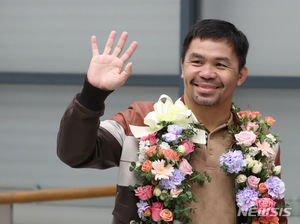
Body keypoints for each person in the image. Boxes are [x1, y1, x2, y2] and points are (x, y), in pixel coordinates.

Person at [57, 19, 287, 224]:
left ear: (240, 75)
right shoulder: (140, 120)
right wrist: (93, 93)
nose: (206, 73)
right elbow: (75, 153)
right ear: (182, 68)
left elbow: (273, 215)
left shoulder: (260, 144)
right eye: (196, 62)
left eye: (220, 64)